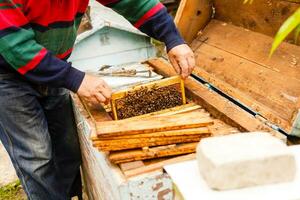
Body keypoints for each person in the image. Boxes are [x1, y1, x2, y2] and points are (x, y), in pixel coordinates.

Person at [0, 0, 195, 199]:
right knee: (37, 158)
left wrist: (173, 38)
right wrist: (75, 79)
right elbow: (17, 48)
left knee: (67, 149)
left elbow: (135, 3)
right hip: (7, 76)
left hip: (53, 67)